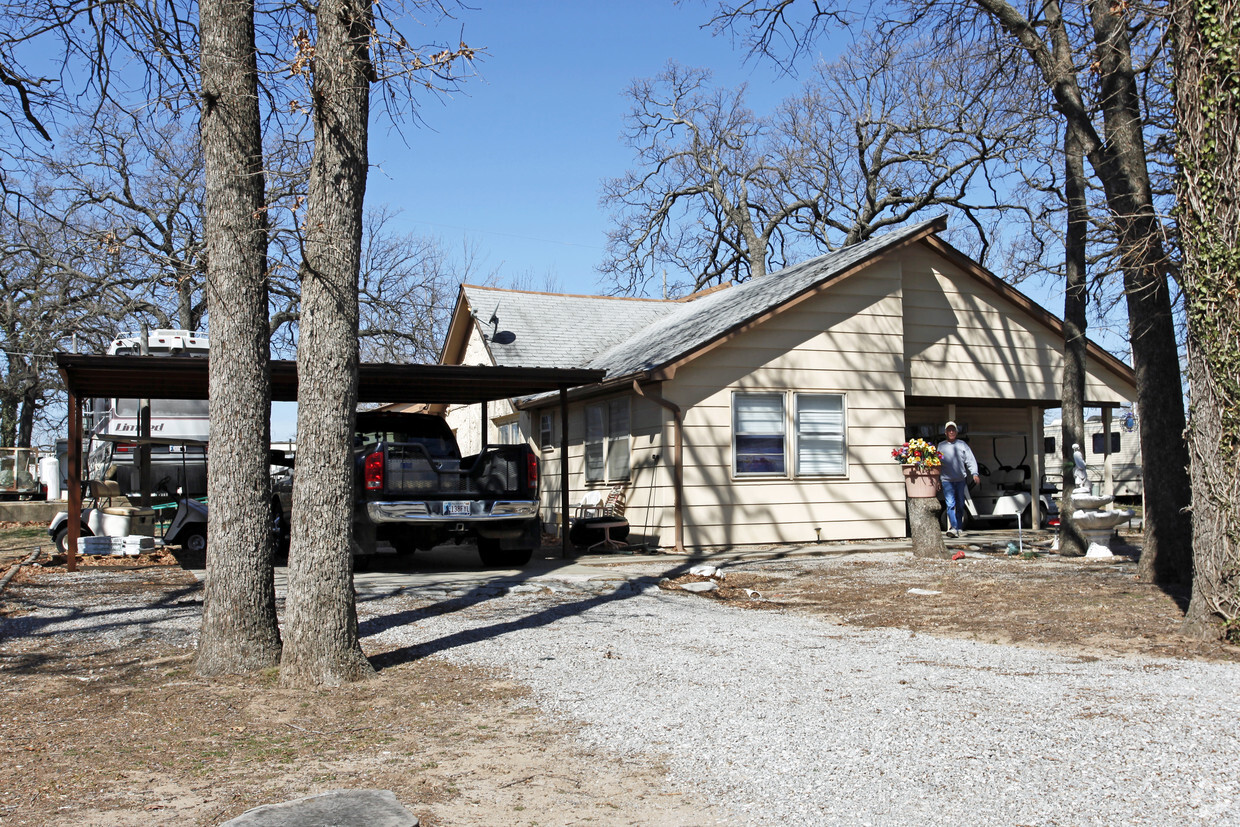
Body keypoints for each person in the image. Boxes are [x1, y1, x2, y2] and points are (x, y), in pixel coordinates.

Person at [937, 421, 979, 537]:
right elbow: (937, 464)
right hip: (946, 480)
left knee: (960, 504)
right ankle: (953, 527)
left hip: (960, 480)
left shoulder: (962, 445)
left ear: (956, 432)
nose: (951, 432)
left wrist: (974, 473)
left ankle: (959, 527)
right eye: (949, 430)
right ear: (945, 432)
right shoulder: (941, 446)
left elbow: (970, 460)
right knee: (950, 504)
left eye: (953, 430)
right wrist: (937, 480)